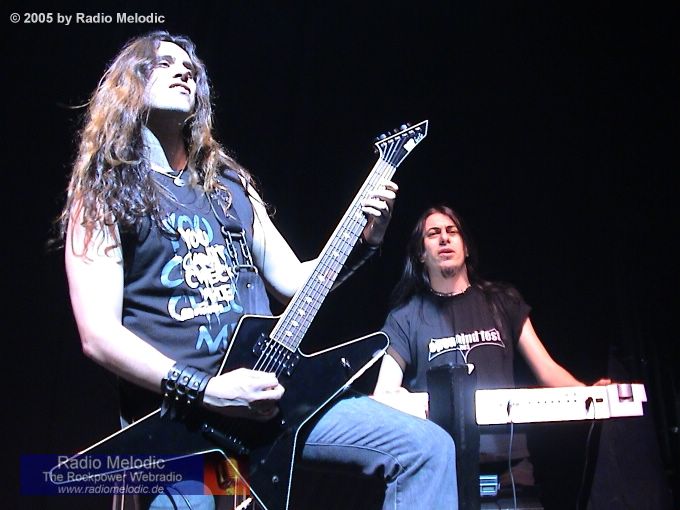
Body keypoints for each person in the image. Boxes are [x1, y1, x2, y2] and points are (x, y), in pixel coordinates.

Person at [57, 32, 457, 509]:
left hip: (269, 395)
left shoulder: (230, 186)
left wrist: (365, 238)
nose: (184, 71)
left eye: (191, 68)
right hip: (180, 421)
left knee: (427, 448)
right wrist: (210, 390)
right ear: (131, 83)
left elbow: (295, 282)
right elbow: (98, 335)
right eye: (164, 63)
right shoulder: (104, 192)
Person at [373, 204, 610, 491]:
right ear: (421, 253)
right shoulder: (405, 317)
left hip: (510, 471)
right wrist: (398, 398)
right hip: (438, 467)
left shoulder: (502, 301)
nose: (444, 238)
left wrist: (588, 393)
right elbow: (384, 393)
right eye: (433, 234)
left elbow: (546, 369)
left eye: (452, 231)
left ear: (466, 248)